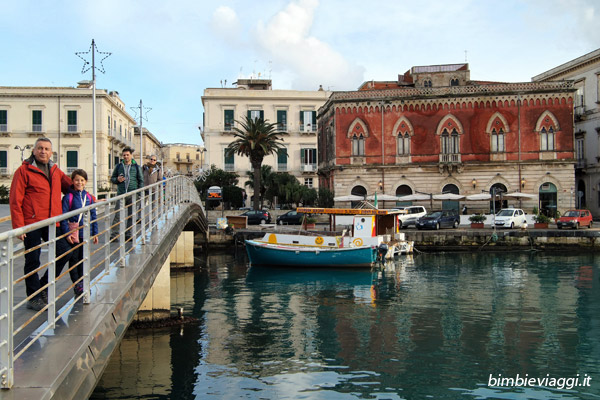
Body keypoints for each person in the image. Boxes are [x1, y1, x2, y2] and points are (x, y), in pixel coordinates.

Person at [9, 137, 73, 311]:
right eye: (40, 148)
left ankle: (42, 287)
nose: (43, 151)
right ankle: (34, 297)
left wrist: (91, 200)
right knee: (32, 261)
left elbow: (71, 188)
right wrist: (19, 226)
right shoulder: (23, 171)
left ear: (51, 152)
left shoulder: (54, 170)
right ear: (34, 150)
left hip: (53, 222)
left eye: (46, 149)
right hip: (32, 223)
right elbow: (15, 200)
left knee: (64, 252)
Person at [60, 169, 98, 296]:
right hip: (74, 233)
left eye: (82, 180)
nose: (79, 182)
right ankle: (77, 284)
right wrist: (67, 233)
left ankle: (82, 283)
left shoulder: (88, 197)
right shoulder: (68, 197)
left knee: (83, 259)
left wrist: (95, 233)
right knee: (74, 259)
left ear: (86, 182)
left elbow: (93, 215)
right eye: (76, 180)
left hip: (85, 233)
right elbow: (63, 216)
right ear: (72, 181)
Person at [110, 147, 143, 240]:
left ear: (131, 155)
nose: (126, 157)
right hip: (121, 194)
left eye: (127, 155)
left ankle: (128, 235)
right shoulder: (119, 166)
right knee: (117, 215)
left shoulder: (137, 167)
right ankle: (114, 235)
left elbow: (141, 180)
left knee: (131, 216)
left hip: (133, 194)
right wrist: (117, 179)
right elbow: (112, 178)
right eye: (124, 155)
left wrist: (139, 193)